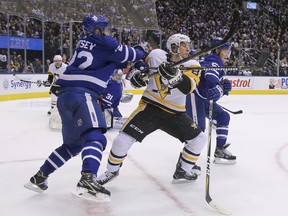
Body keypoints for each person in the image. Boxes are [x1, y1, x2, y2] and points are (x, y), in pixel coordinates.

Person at [24, 14, 147, 202]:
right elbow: (131, 54)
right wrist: (142, 50)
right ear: (97, 30)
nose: (108, 31)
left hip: (65, 97)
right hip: (83, 94)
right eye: (104, 28)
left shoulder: (85, 41)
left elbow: (116, 60)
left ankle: (39, 178)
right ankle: (87, 180)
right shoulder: (106, 43)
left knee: (73, 146)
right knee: (96, 137)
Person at [96, 33, 206, 186]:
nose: (188, 48)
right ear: (174, 47)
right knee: (122, 140)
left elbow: (188, 88)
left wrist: (176, 77)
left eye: (188, 44)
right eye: (183, 44)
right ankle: (111, 171)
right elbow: (141, 64)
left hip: (175, 113)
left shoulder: (193, 65)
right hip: (150, 108)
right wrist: (138, 72)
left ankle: (183, 169)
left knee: (199, 139)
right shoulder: (157, 55)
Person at [186, 37, 236, 165]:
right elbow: (210, 75)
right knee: (198, 131)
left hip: (204, 99)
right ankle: (187, 162)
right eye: (225, 50)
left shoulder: (217, 61)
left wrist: (222, 86)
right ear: (217, 50)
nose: (228, 54)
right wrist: (218, 86)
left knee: (223, 116)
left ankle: (219, 150)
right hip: (195, 98)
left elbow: (214, 85)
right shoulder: (213, 60)